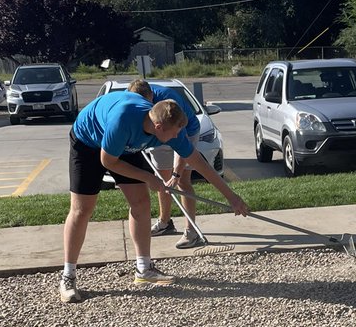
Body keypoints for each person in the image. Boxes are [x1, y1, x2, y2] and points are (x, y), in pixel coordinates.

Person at [60, 87, 248, 304]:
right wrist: (149, 178)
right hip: (88, 141)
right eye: (175, 133)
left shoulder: (168, 127)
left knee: (141, 203)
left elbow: (198, 162)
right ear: (158, 127)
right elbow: (107, 161)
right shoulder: (123, 120)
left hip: (125, 146)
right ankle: (68, 276)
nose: (178, 137)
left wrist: (231, 197)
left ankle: (143, 269)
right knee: (82, 209)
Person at [125, 80, 204, 249]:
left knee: (182, 180)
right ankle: (165, 223)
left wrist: (176, 173)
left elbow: (180, 143)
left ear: (151, 96)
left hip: (185, 131)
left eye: (145, 103)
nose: (142, 107)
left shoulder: (169, 103)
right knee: (162, 179)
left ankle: (191, 232)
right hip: (158, 133)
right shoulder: (133, 99)